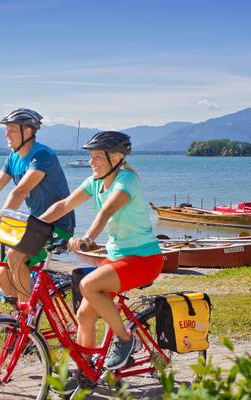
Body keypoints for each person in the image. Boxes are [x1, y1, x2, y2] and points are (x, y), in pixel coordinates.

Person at [39, 130, 162, 373]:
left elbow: (105, 212)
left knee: (88, 284)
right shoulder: (95, 183)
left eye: (97, 157)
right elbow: (64, 205)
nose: (91, 162)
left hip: (144, 258)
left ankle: (126, 340)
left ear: (115, 159)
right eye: (91, 157)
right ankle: (86, 370)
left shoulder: (126, 181)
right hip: (118, 258)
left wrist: (87, 238)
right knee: (84, 315)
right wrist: (33, 226)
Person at [0, 108, 75, 304]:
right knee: (2, 275)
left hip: (58, 226)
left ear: (28, 132)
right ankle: (23, 324)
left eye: (12, 130)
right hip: (37, 226)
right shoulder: (13, 158)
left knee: (15, 255)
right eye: (6, 129)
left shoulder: (42, 156)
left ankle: (28, 319)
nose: (6, 134)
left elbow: (20, 192)